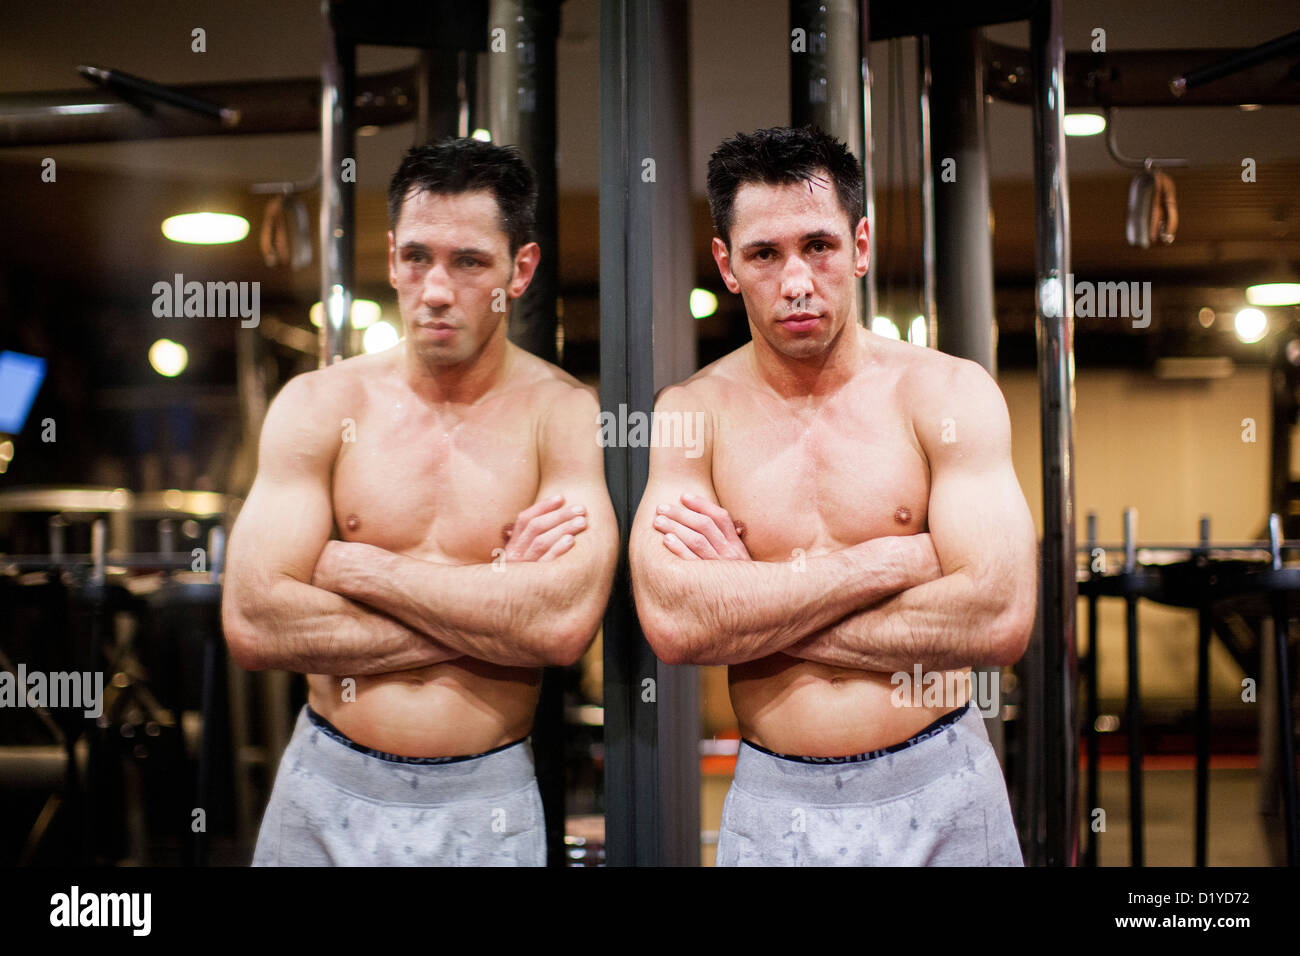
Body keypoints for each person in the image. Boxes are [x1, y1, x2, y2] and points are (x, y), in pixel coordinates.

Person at [628, 125, 1037, 866]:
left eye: (818, 245)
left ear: (860, 245)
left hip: (941, 778)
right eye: (763, 254)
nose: (795, 282)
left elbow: (999, 616)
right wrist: (893, 562)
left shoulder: (948, 392)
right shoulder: (692, 413)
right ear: (727, 263)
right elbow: (675, 624)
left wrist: (752, 604)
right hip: (776, 799)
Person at [221, 137, 617, 866]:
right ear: (392, 254)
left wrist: (360, 572)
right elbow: (254, 622)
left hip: (483, 799)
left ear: (519, 270)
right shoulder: (319, 404)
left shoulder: (562, 415)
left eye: (469, 262)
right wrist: (495, 608)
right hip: (324, 781)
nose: (436, 289)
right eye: (416, 258)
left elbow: (559, 629)